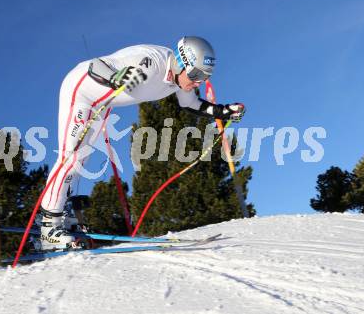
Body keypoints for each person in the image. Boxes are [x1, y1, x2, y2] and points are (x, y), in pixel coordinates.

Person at [37, 36, 246, 250]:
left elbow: (191, 104)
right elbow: (95, 66)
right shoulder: (150, 62)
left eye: (204, 77)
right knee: (71, 157)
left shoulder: (179, 80)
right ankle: (48, 228)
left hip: (102, 103)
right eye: (196, 74)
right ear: (182, 62)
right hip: (81, 91)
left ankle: (61, 215)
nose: (198, 82)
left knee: (82, 159)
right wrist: (116, 77)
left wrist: (222, 111)